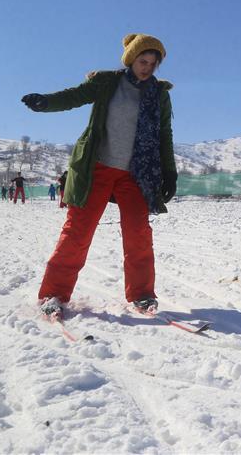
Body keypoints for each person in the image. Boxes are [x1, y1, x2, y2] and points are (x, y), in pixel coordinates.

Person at [21, 33, 177, 317]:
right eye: (142, 61)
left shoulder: (159, 95)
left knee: (139, 234)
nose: (147, 68)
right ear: (131, 59)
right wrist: (46, 102)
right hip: (97, 167)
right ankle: (53, 294)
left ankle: (142, 294)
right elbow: (74, 96)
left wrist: (169, 171)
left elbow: (164, 134)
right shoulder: (107, 82)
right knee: (77, 232)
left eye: (152, 63)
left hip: (137, 173)